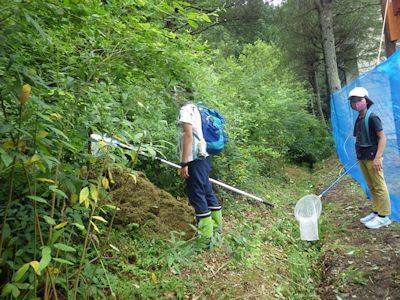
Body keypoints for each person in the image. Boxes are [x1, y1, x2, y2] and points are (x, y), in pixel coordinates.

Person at [177, 97, 222, 245]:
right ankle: (216, 229)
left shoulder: (186, 110)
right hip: (204, 156)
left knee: (197, 193)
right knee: (207, 190)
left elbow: (188, 136)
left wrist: (184, 163)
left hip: (194, 159)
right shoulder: (198, 109)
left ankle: (205, 238)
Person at [348, 87, 391, 229]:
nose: (356, 103)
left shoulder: (372, 117)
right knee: (371, 186)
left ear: (366, 101)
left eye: (359, 100)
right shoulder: (359, 119)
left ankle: (384, 217)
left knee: (379, 186)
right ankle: (376, 211)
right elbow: (359, 138)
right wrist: (358, 155)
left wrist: (378, 157)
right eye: (353, 101)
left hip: (373, 157)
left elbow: (382, 138)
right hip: (363, 157)